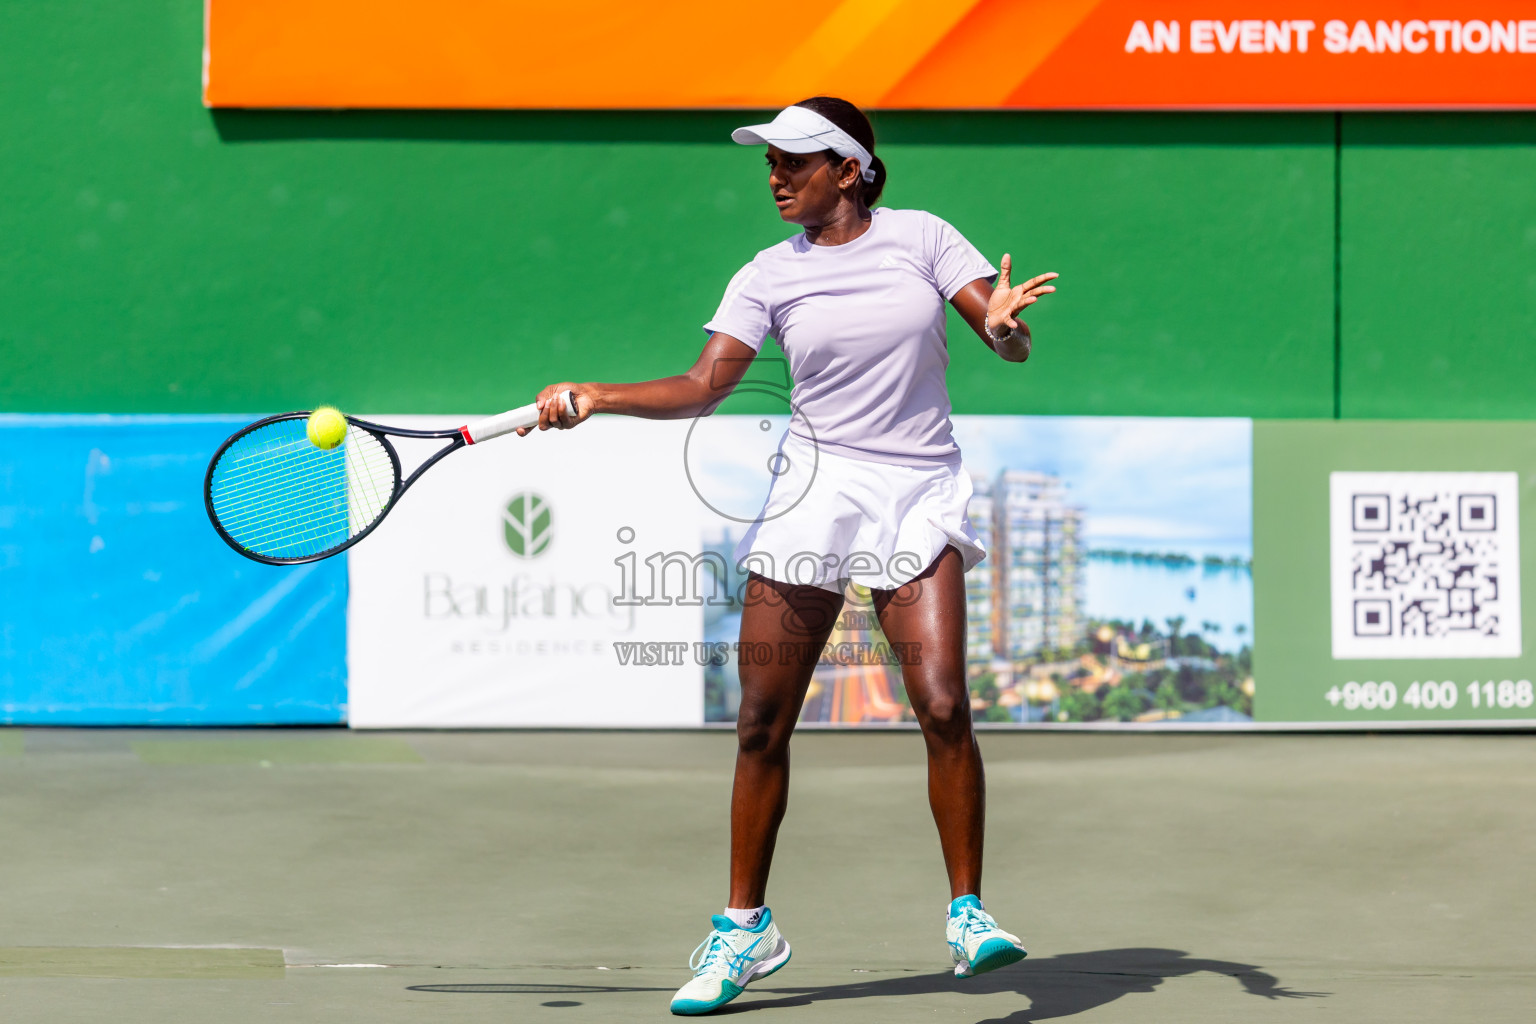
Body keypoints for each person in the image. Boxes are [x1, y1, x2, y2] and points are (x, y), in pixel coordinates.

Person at [520, 96, 1058, 1016]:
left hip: (918, 487)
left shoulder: (926, 238)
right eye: (768, 163)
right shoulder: (766, 274)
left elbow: (1002, 338)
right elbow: (702, 386)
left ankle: (968, 914)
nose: (775, 176)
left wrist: (1006, 328)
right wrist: (599, 394)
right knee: (761, 720)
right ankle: (744, 928)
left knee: (941, 703)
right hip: (815, 489)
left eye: (795, 161)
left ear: (849, 169)